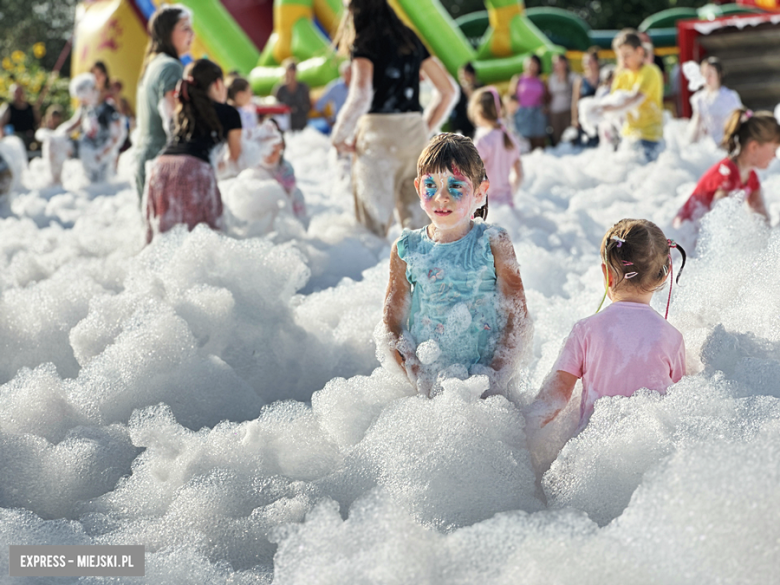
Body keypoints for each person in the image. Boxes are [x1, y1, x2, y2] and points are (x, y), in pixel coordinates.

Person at [382, 133, 531, 397]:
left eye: (455, 186)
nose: (441, 197)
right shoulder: (407, 249)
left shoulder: (493, 242)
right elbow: (393, 323)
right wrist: (415, 372)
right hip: (429, 380)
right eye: (431, 185)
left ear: (480, 192)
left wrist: (493, 376)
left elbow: (516, 317)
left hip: (486, 382)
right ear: (417, 188)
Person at [527, 219, 686, 435]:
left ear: (607, 274)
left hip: (592, 450)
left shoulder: (586, 330)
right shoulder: (672, 337)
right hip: (651, 449)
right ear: (664, 274)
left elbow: (555, 396)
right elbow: (680, 403)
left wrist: (521, 435)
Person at [331, 0, 458, 237]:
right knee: (421, 229)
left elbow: (361, 95)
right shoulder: (409, 38)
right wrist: (425, 127)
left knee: (372, 226)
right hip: (414, 137)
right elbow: (448, 91)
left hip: (378, 138)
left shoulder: (365, 41)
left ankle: (374, 273)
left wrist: (338, 137)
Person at [143, 59, 242, 243]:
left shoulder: (179, 114)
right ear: (218, 84)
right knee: (206, 243)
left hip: (159, 170)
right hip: (194, 170)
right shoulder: (229, 113)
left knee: (162, 243)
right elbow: (236, 157)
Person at [674, 108, 780, 227]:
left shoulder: (751, 177)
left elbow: (762, 217)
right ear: (754, 147)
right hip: (683, 231)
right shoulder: (728, 175)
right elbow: (720, 223)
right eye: (774, 149)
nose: (775, 156)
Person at [135, 4, 194, 197]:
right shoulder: (170, 67)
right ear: (168, 32)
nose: (192, 33)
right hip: (162, 164)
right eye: (185, 28)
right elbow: (173, 122)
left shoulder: (153, 64)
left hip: (145, 158)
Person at [38, 73, 124, 183]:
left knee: (97, 184)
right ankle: (55, 181)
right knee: (53, 144)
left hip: (100, 155)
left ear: (91, 91)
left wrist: (101, 154)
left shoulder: (108, 108)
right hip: (85, 148)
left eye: (82, 97)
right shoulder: (85, 107)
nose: (81, 100)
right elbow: (74, 124)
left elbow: (117, 135)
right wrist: (55, 135)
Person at [603, 30, 664, 162]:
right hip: (627, 135)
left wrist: (601, 108)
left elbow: (634, 100)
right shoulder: (621, 75)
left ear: (640, 52)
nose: (623, 60)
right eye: (619, 56)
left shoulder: (650, 71)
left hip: (650, 137)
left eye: (627, 55)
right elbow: (612, 101)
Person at [468, 87, 522, 207]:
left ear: (479, 112)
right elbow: (519, 175)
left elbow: (471, 175)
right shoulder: (511, 138)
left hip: (488, 205)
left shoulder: (484, 141)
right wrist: (510, 192)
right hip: (507, 204)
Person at [687, 57, 742, 147]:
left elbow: (738, 120)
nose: (706, 78)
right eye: (704, 74)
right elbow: (696, 125)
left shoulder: (730, 96)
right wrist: (691, 145)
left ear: (719, 75)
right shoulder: (699, 98)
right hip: (709, 145)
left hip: (727, 143)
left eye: (710, 74)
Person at [510, 55, 548, 151]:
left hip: (538, 114)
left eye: (534, 64)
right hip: (523, 114)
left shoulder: (541, 80)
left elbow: (547, 97)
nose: (531, 66)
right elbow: (512, 97)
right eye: (529, 63)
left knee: (539, 143)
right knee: (524, 143)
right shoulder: (518, 79)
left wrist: (546, 107)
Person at [572, 48, 600, 147]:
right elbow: (576, 101)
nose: (588, 64)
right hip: (586, 118)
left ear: (596, 62)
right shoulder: (580, 80)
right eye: (586, 62)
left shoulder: (603, 78)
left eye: (591, 61)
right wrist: (575, 119)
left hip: (599, 117)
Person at [547, 54, 578, 145]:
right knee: (557, 136)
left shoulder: (572, 77)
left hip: (568, 110)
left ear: (565, 63)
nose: (556, 65)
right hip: (555, 112)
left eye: (558, 62)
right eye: (555, 63)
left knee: (570, 137)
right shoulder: (552, 78)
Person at [273, 59, 311, 132]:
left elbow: (308, 105)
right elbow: (276, 107)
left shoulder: (303, 88)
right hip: (285, 127)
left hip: (301, 126)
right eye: (290, 70)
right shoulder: (280, 89)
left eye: (293, 70)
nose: (291, 73)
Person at [0, 84, 40, 153]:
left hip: (30, 140)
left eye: (19, 92)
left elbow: (39, 122)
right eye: (16, 92)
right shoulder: (8, 108)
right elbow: (1, 124)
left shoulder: (31, 108)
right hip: (13, 140)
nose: (17, 94)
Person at [314, 61, 351, 131]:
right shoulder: (335, 87)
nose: (351, 74)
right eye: (349, 72)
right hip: (339, 124)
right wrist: (329, 122)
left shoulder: (359, 88)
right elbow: (319, 105)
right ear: (343, 73)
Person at [449, 62, 482, 138]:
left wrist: (469, 93)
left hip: (475, 126)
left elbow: (479, 105)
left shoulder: (480, 88)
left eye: (464, 75)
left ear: (472, 75)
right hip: (461, 127)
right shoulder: (459, 90)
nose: (462, 78)